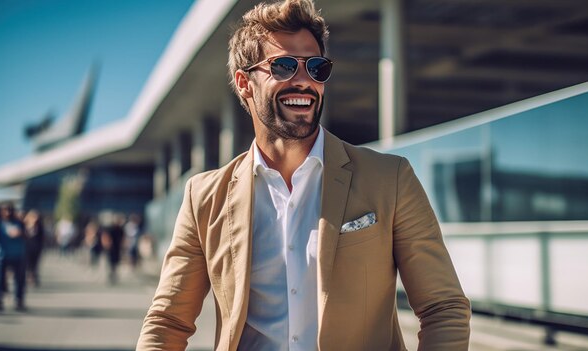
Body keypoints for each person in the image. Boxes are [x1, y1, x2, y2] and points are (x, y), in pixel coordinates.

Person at [137, 0, 470, 350]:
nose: (304, 82)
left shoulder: (390, 179)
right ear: (244, 83)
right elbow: (167, 321)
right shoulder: (204, 196)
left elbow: (442, 307)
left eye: (315, 68)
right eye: (282, 67)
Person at [0, 203, 27, 311]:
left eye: (10, 210)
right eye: (5, 210)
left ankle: (19, 300)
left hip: (18, 255)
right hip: (3, 255)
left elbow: (28, 236)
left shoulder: (19, 223)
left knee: (19, 280)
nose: (8, 213)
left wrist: (20, 233)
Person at [23, 210, 45, 287]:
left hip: (37, 248)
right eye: (33, 217)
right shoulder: (24, 225)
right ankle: (29, 278)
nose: (35, 219)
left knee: (35, 264)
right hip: (27, 248)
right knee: (28, 264)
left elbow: (42, 237)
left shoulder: (39, 226)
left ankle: (34, 278)